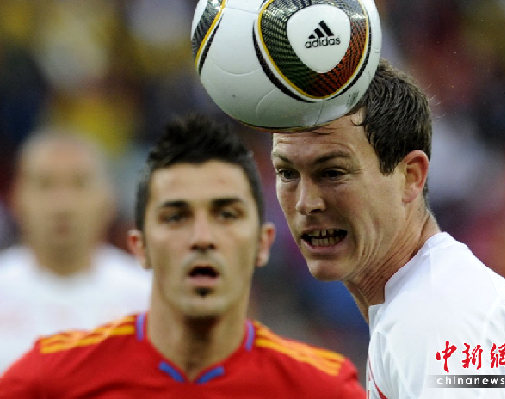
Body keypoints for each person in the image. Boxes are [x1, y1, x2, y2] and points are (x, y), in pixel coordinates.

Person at [0, 115, 366, 398]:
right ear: (139, 245)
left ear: (262, 243)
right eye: (176, 216)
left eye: (226, 214)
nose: (202, 238)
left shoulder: (324, 389)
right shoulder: (41, 381)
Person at [270, 58, 505, 398]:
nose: (305, 203)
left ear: (410, 177)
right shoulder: (441, 295)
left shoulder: (429, 319)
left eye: (332, 172)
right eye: (287, 173)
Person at [0, 130, 150, 372]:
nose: (62, 204)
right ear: (16, 198)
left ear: (108, 198)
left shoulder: (147, 299)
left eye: (80, 184)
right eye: (45, 184)